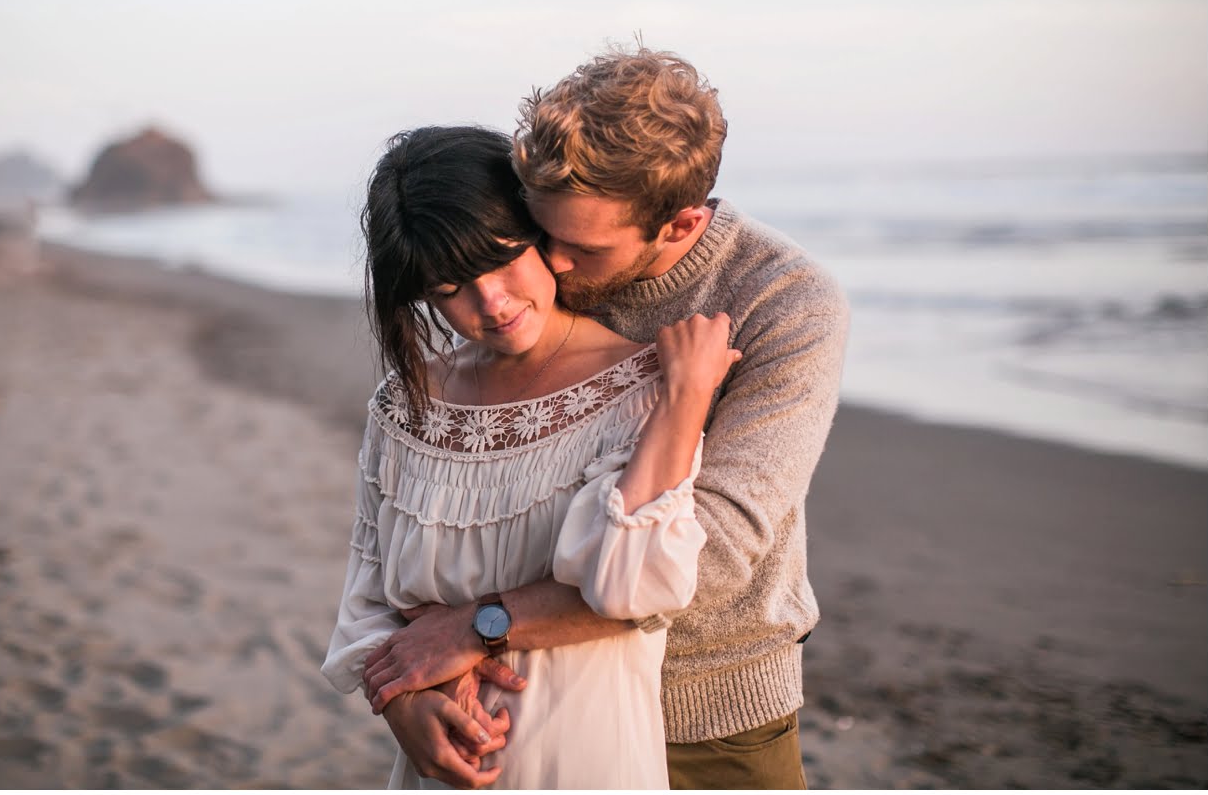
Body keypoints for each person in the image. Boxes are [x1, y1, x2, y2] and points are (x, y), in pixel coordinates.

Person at [359, 47, 850, 789]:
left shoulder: (784, 302)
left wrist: (475, 626)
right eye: (537, 232)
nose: (550, 267)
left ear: (679, 223)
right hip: (526, 698)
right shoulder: (537, 272)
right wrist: (408, 681)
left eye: (580, 248)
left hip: (709, 708)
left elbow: (711, 557)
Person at [320, 125, 742, 788]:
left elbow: (635, 587)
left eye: (504, 255)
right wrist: (400, 701)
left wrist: (686, 398)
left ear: (541, 229)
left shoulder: (639, 391)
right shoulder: (404, 407)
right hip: (440, 772)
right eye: (450, 286)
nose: (492, 301)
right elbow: (366, 597)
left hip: (585, 761)